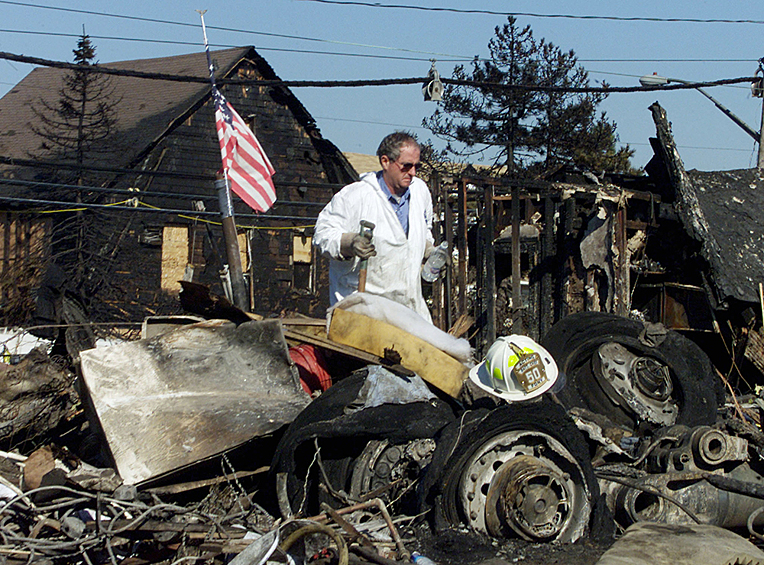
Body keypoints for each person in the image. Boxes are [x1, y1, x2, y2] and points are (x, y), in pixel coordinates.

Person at [313, 131, 435, 322]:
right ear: (385, 162)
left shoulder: (420, 192)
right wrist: (349, 242)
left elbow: (424, 230)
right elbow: (323, 234)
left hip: (409, 310)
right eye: (406, 166)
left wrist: (429, 250)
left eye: (416, 166)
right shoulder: (356, 196)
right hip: (363, 310)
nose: (412, 173)